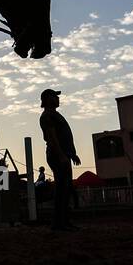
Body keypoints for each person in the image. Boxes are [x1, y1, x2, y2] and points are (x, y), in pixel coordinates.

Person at [39, 89, 80, 231]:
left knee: (66, 188)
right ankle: (59, 223)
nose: (57, 98)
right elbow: (52, 137)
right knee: (62, 188)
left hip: (63, 154)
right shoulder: (47, 116)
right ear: (47, 99)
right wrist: (61, 154)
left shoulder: (55, 115)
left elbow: (63, 136)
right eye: (54, 96)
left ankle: (64, 221)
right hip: (57, 155)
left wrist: (71, 154)